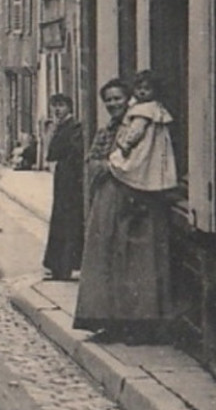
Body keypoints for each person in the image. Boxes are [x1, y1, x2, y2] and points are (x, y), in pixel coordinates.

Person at [73, 77, 174, 342]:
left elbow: (142, 161)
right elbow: (94, 159)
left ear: (128, 98)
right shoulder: (108, 129)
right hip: (108, 199)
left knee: (136, 263)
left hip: (135, 199)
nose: (112, 104)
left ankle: (138, 326)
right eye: (108, 100)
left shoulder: (140, 123)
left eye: (117, 98)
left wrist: (111, 168)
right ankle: (109, 322)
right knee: (106, 258)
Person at [108, 70, 178, 193]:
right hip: (156, 146)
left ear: (155, 91)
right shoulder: (155, 107)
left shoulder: (144, 109)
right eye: (138, 88)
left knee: (137, 164)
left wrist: (126, 144)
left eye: (147, 89)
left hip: (145, 145)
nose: (142, 92)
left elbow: (136, 130)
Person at [42, 94, 84, 281]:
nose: (57, 110)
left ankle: (64, 267)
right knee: (60, 220)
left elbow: (59, 151)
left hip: (71, 179)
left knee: (67, 222)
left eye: (61, 106)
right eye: (54, 106)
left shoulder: (74, 127)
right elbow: (51, 154)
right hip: (63, 178)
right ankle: (58, 267)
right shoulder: (60, 127)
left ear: (69, 107)